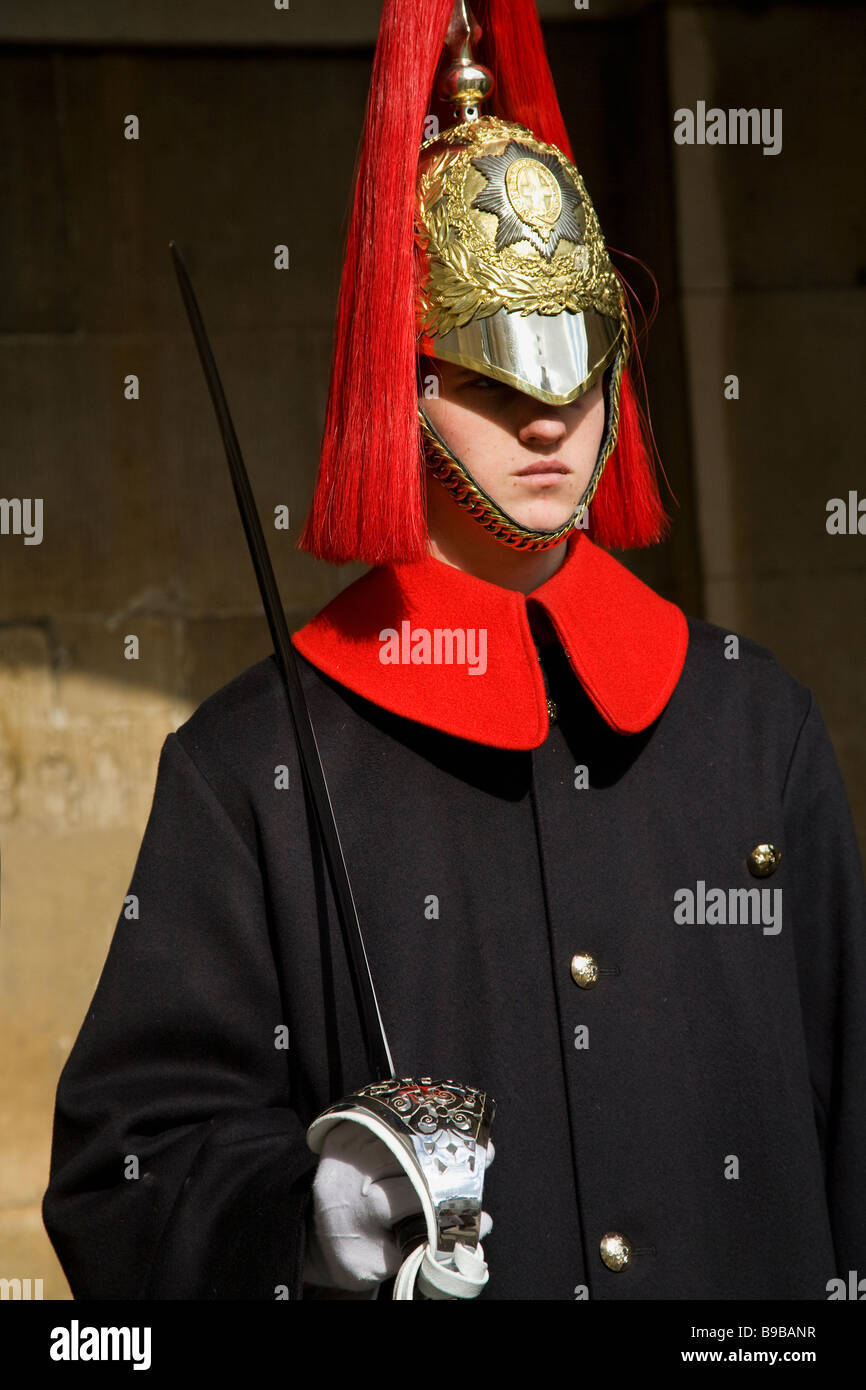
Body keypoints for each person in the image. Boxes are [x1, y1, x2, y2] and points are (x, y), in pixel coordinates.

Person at [44, 0, 865, 1301]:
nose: (546, 425)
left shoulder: (755, 726)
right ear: (401, 391)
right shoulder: (248, 765)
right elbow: (123, 1176)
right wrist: (299, 1212)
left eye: (574, 372)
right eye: (490, 380)